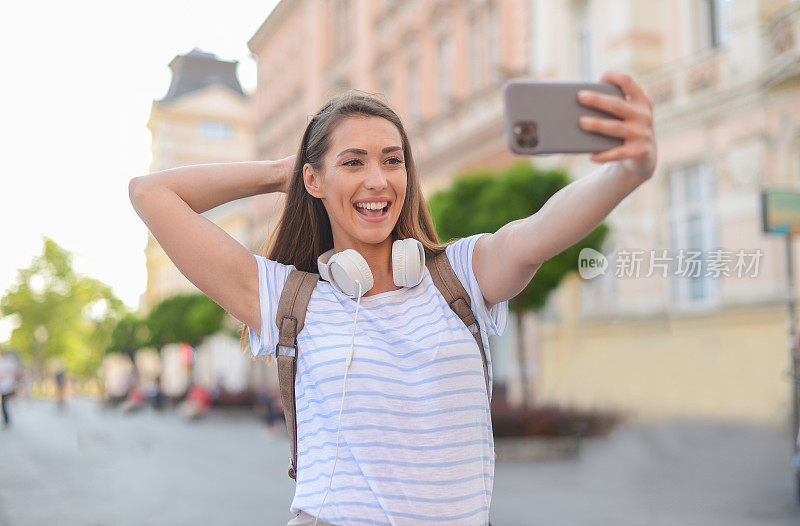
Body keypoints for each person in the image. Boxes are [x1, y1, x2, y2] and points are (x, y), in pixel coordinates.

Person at [129, 71, 656, 525]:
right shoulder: (286, 298)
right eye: (353, 163)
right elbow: (151, 193)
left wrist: (625, 172)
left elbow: (541, 230)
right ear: (313, 180)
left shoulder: (461, 277)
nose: (378, 181)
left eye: (392, 160)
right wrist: (279, 174)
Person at [0, 351, 19, 428]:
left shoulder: (3, 364)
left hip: (4, 385)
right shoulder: (12, 363)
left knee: (4, 403)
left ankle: (6, 419)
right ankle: (6, 419)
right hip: (10, 385)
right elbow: (16, 374)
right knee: (5, 402)